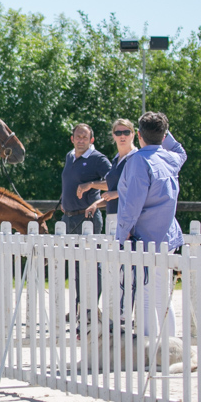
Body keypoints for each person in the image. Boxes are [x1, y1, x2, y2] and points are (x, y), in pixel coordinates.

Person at [116, 111, 187, 337]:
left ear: (138, 135)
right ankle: (170, 346)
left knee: (146, 296)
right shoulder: (171, 158)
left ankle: (149, 348)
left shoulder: (138, 161)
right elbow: (180, 151)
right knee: (162, 297)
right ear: (164, 135)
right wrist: (163, 132)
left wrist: (122, 235)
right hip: (168, 237)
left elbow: (133, 204)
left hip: (144, 238)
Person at [77, 118, 138, 321]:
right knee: (114, 268)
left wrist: (115, 193)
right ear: (113, 135)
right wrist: (97, 203)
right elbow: (111, 191)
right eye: (118, 132)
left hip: (127, 216)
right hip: (112, 216)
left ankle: (125, 316)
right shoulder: (116, 159)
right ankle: (116, 314)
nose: (122, 136)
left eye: (126, 132)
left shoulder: (135, 158)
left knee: (127, 270)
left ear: (133, 134)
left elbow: (138, 189)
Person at [60, 124, 111, 324]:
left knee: (91, 264)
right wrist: (64, 200)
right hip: (68, 217)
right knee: (74, 265)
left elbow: (113, 182)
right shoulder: (69, 156)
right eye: (78, 136)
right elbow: (69, 182)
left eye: (85, 137)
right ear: (72, 139)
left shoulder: (98, 159)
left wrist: (91, 184)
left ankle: (90, 308)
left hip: (88, 218)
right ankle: (78, 307)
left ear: (91, 140)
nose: (81, 140)